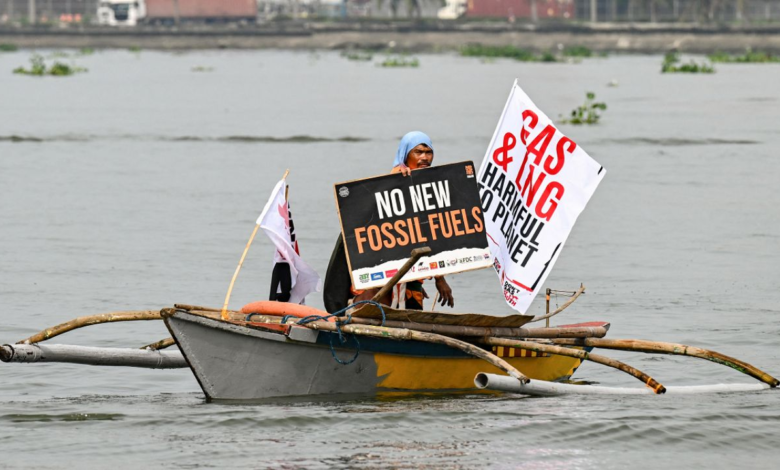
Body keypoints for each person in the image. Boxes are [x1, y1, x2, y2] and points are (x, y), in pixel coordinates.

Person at [322, 131, 455, 312]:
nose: (424, 157)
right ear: (405, 155)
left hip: (411, 281)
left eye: (428, 152)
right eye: (418, 152)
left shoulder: (429, 190)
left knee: (410, 325)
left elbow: (428, 234)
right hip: (380, 280)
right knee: (373, 316)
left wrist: (439, 278)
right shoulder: (393, 184)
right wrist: (400, 180)